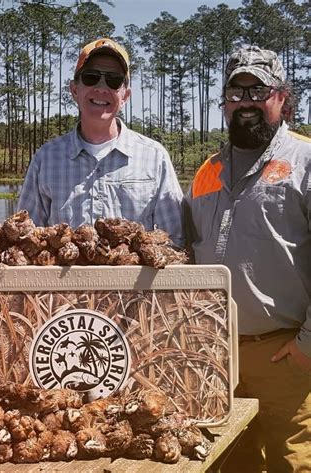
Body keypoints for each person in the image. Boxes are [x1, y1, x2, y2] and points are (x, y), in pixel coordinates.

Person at [184, 45, 310, 472]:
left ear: (281, 96)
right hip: (215, 358)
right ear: (223, 102)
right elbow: (186, 257)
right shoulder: (207, 171)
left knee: (292, 463)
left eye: (258, 90)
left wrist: (307, 345)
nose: (246, 103)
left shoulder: (305, 161)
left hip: (285, 354)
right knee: (227, 464)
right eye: (236, 94)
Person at [18, 38, 184, 246]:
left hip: (134, 280)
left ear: (125, 95)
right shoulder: (46, 159)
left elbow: (175, 240)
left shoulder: (153, 157)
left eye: (114, 80)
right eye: (91, 77)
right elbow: (25, 241)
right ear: (74, 90)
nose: (101, 88)